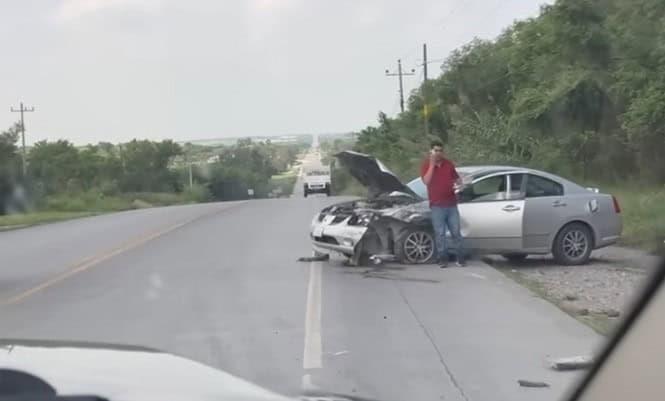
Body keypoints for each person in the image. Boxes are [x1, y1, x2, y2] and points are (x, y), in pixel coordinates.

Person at [420, 140, 465, 268]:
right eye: (436, 150)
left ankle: (460, 258)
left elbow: (457, 179)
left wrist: (460, 186)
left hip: (451, 204)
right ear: (431, 151)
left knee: (456, 232)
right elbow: (426, 181)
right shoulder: (426, 165)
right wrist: (432, 165)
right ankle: (442, 258)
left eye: (440, 150)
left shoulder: (448, 164)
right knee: (440, 234)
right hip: (437, 206)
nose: (438, 153)